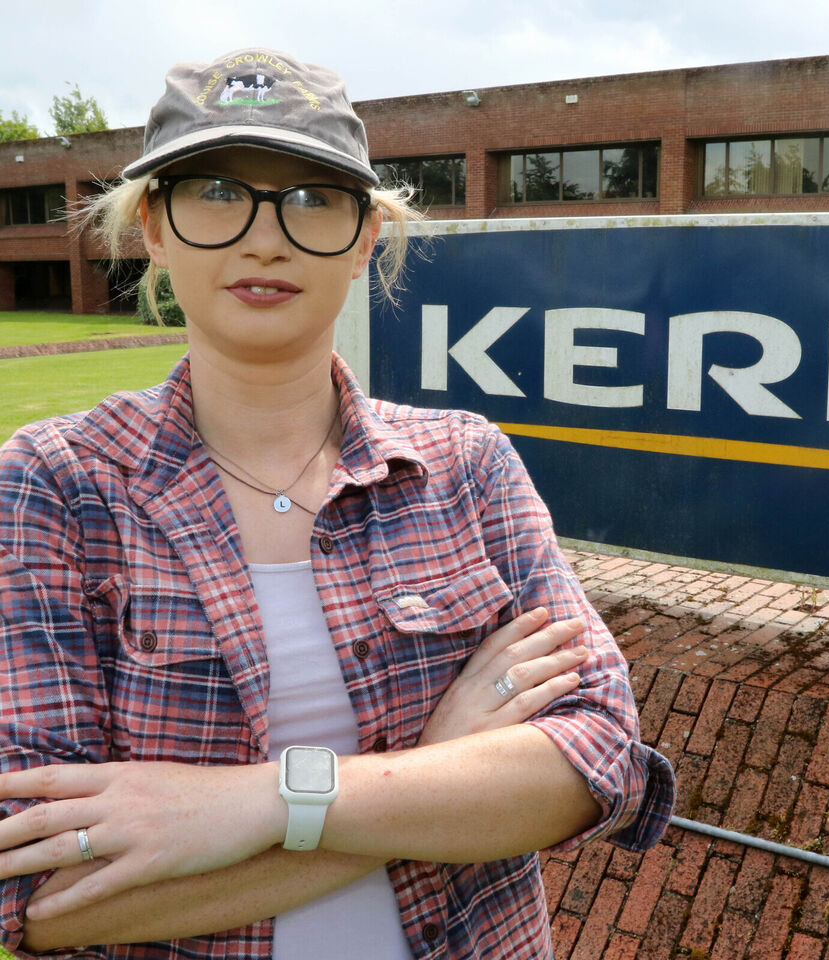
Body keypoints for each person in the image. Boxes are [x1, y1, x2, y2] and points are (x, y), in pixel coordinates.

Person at [0, 47, 674, 959]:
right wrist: (427, 778)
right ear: (153, 226)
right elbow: (39, 895)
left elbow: (598, 763)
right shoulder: (57, 482)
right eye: (215, 190)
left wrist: (263, 801)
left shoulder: (464, 462)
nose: (265, 237)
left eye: (315, 198)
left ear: (364, 239)